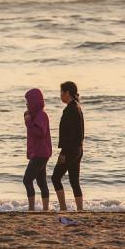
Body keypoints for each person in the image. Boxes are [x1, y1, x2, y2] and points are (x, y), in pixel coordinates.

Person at [51, 81, 84, 211]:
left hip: (70, 150)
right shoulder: (77, 107)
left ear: (67, 93)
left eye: (61, 92)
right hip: (78, 149)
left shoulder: (70, 110)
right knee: (74, 180)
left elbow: (69, 134)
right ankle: (80, 209)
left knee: (55, 177)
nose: (60, 95)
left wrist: (63, 153)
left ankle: (63, 207)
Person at [22, 88, 52, 211]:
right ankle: (45, 209)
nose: (26, 104)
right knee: (41, 182)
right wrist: (28, 118)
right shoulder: (35, 115)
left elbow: (39, 132)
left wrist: (28, 122)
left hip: (40, 153)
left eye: (28, 102)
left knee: (27, 180)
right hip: (39, 153)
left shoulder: (41, 115)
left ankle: (31, 208)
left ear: (34, 102)